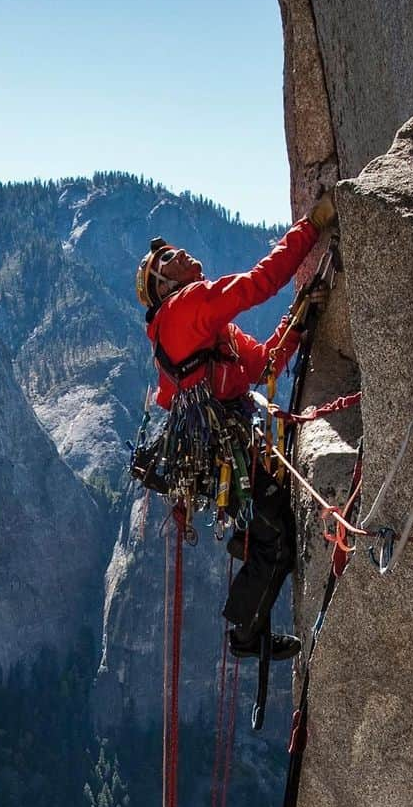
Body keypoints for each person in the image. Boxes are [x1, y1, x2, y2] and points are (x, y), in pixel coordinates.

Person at [135, 192, 337, 659]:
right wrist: (310, 227)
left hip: (222, 447)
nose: (180, 254)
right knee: (279, 539)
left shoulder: (209, 329)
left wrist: (300, 317)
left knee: (275, 536)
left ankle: (251, 568)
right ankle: (245, 637)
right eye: (169, 258)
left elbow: (260, 365)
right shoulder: (183, 309)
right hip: (223, 448)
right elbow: (257, 284)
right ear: (165, 285)